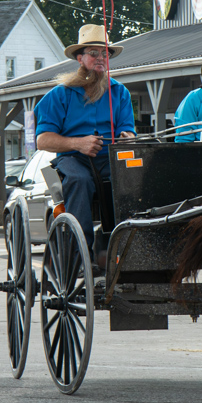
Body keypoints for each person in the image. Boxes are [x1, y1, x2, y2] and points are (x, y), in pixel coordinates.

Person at [35, 24, 136, 251]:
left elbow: (128, 129)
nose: (100, 58)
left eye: (105, 54)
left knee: (133, 177)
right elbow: (42, 140)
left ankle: (124, 249)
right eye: (93, 53)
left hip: (110, 158)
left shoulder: (120, 93)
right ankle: (79, 253)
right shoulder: (60, 95)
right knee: (79, 180)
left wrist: (126, 137)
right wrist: (77, 143)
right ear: (80, 58)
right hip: (73, 160)